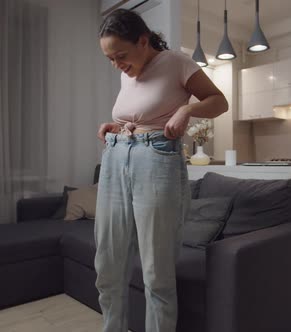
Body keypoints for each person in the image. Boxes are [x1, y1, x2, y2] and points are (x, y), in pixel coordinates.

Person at [94, 9, 228, 332]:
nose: (117, 65)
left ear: (143, 41)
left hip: (157, 160)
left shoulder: (177, 63)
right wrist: (116, 126)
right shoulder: (127, 71)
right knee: (108, 267)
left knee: (157, 273)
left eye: (120, 55)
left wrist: (187, 108)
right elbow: (138, 115)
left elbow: (219, 101)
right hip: (115, 157)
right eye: (110, 58)